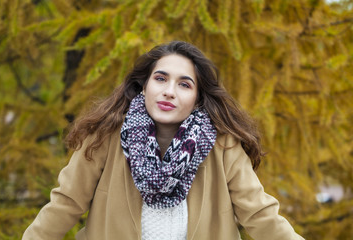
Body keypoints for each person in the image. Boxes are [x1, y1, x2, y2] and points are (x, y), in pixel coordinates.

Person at [23, 41, 305, 240]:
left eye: (184, 84)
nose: (169, 91)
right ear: (144, 86)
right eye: (160, 79)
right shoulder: (104, 137)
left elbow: (259, 214)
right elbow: (65, 204)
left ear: (197, 98)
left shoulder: (224, 146)